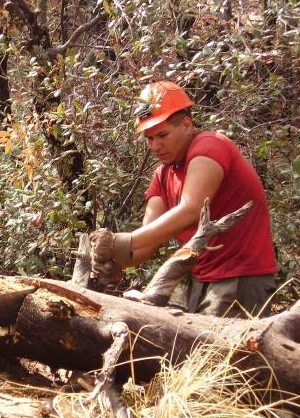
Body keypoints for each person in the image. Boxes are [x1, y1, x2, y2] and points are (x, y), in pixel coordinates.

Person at [93, 81, 277, 317]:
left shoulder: (210, 146)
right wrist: (112, 260)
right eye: (149, 138)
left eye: (162, 135)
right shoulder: (162, 176)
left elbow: (192, 209)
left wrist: (122, 242)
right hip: (198, 278)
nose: (155, 145)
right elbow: (145, 243)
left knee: (222, 353)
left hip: (239, 277)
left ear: (187, 125)